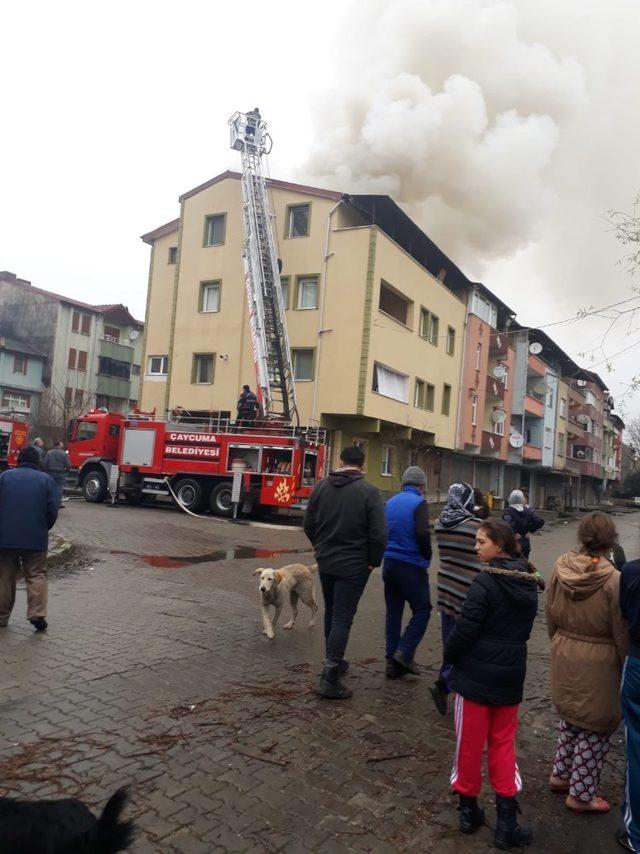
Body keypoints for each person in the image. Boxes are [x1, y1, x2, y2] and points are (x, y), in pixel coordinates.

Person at [445, 519, 541, 849]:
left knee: (469, 746)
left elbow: (465, 630)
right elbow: (524, 632)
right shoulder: (528, 582)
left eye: (481, 541)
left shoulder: (484, 584)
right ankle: (506, 825)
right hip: (510, 677)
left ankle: (469, 812)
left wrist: (450, 656)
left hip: (474, 679)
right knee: (503, 745)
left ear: (499, 545)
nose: (476, 546)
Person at [546, 512, 628, 814]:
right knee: (595, 725)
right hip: (601, 657)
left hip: (565, 647)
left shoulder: (560, 566)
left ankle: (560, 774)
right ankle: (581, 794)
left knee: (569, 717)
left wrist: (559, 640)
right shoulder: (614, 579)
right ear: (612, 540)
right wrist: (623, 660)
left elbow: (549, 613)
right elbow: (620, 629)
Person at [303, 445, 387, 699]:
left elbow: (309, 523)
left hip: (327, 562)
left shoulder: (321, 487)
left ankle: (335, 663)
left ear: (341, 461)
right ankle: (329, 676)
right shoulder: (370, 492)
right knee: (342, 617)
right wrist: (373, 561)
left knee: (332, 613)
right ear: (363, 464)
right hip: (354, 566)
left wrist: (320, 548)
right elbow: (379, 533)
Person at [431, 483, 483, 715]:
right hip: (467, 593)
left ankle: (446, 680)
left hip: (446, 588)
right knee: (466, 644)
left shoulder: (440, 523)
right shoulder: (476, 527)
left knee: (449, 640)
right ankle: (447, 682)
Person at [0, 446, 59, 631]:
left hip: (5, 537)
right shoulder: (46, 481)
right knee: (36, 574)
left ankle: (1, 616)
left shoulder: (4, 477)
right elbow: (52, 510)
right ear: (37, 462)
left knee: (4, 575)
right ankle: (37, 614)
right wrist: (43, 527)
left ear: (19, 460)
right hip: (35, 538)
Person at [382, 466, 432, 679]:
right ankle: (404, 652)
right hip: (411, 564)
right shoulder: (419, 503)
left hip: (390, 564)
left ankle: (391, 662)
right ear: (421, 486)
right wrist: (427, 556)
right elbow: (422, 532)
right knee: (422, 609)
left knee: (393, 612)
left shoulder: (390, 503)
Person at [620, 551, 640, 852]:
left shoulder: (631, 572)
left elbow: (624, 614)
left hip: (638, 662)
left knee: (636, 747)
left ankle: (636, 834)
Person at [502, 490, 545, 559]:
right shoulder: (528, 510)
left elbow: (508, 523)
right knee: (524, 562)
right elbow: (540, 521)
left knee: (511, 563)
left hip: (513, 542)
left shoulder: (508, 511)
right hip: (525, 541)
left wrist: (514, 533)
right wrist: (530, 530)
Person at [44, 440, 70, 509]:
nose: (62, 445)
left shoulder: (49, 453)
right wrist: (67, 470)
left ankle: (48, 502)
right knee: (59, 489)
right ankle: (57, 503)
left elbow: (45, 463)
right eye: (61, 444)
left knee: (50, 488)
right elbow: (68, 464)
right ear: (58, 445)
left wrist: (45, 471)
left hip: (50, 473)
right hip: (60, 473)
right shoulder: (64, 453)